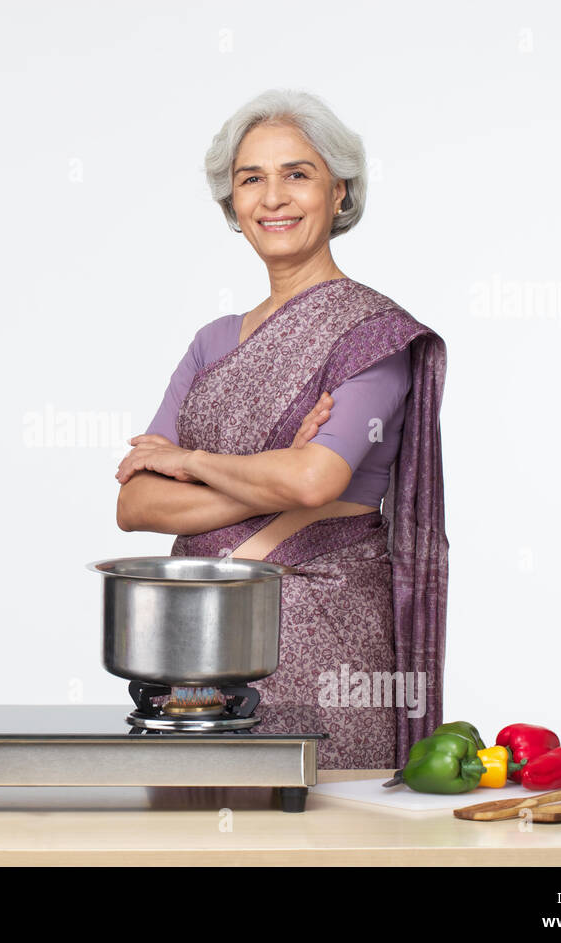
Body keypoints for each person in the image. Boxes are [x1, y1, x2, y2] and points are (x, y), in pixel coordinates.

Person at [114, 89, 449, 769]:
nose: (274, 197)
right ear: (232, 204)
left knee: (324, 823)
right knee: (203, 827)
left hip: (327, 635)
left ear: (339, 192)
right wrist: (279, 472)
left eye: (297, 174)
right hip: (201, 637)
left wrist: (193, 460)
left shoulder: (370, 334)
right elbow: (135, 505)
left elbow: (316, 477)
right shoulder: (212, 342)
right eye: (251, 179)